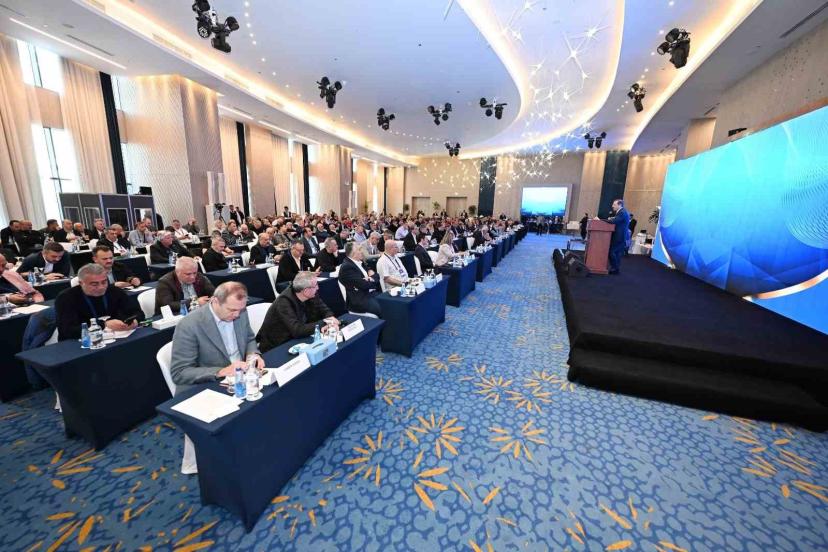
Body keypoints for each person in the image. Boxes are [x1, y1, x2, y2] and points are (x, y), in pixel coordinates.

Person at [169, 281, 263, 474]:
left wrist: (253, 354)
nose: (236, 315)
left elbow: (249, 339)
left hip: (240, 373)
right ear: (215, 301)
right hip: (208, 382)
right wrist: (221, 372)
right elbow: (180, 372)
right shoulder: (189, 325)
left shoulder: (240, 311)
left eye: (240, 310)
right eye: (232, 310)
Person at [54, 263, 144, 340]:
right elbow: (67, 331)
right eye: (94, 284)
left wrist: (134, 321)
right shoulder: (66, 298)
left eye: (104, 282)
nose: (101, 287)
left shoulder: (115, 291)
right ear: (81, 283)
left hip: (117, 337)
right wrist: (104, 325)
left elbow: (138, 313)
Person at [257, 271, 338, 352]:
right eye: (316, 285)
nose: (318, 288)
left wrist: (331, 320)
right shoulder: (283, 302)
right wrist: (325, 322)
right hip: (276, 346)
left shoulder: (312, 293)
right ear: (306, 291)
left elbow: (325, 310)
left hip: (297, 339)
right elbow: (297, 330)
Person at [338, 242, 382, 317]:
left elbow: (377, 276)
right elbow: (364, 285)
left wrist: (371, 278)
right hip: (360, 299)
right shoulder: (347, 267)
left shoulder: (359, 262)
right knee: (383, 308)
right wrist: (372, 279)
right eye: (359, 249)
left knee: (388, 301)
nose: (362, 252)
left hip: (370, 293)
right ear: (353, 253)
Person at [602, 199, 631, 274]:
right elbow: (617, 220)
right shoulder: (622, 212)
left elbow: (613, 221)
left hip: (619, 236)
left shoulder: (622, 212)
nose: (612, 206)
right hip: (620, 236)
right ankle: (615, 268)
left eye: (614, 204)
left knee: (611, 252)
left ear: (620, 205)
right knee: (616, 253)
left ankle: (615, 268)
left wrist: (600, 220)